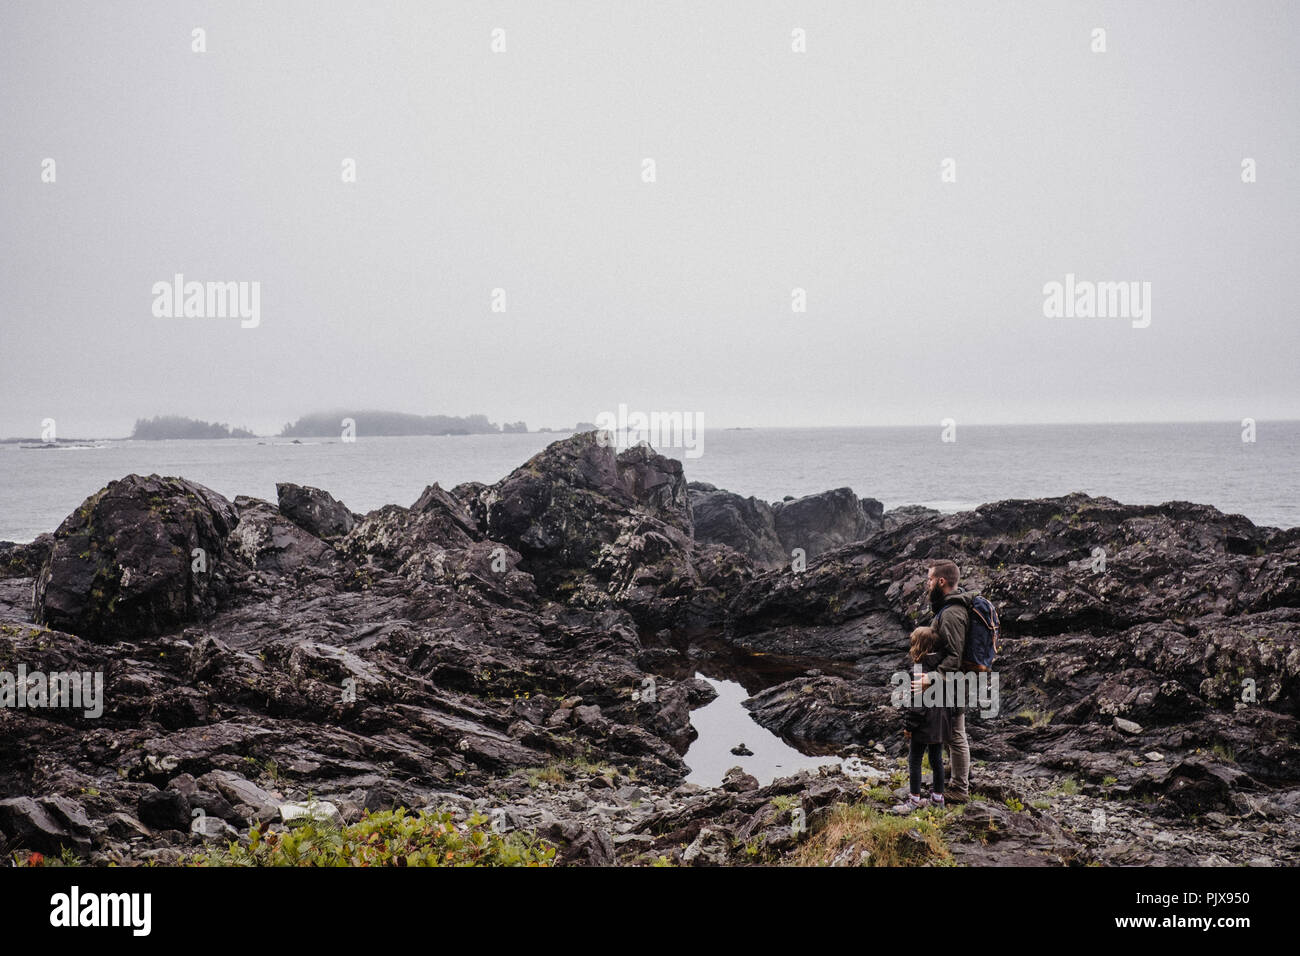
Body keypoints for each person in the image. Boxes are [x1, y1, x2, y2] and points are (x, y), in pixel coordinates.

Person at [923, 559, 972, 803]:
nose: (927, 584)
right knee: (954, 732)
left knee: (956, 735)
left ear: (941, 581)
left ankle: (960, 789)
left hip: (953, 683)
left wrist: (930, 678)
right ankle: (956, 772)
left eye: (930, 579)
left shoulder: (952, 613)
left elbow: (954, 656)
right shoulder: (948, 607)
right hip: (951, 682)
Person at [891, 626, 953, 813]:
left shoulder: (919, 669)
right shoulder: (943, 666)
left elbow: (917, 705)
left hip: (923, 724)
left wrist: (909, 727)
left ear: (918, 646)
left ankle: (914, 800)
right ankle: (937, 799)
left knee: (915, 760)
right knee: (936, 760)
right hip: (940, 722)